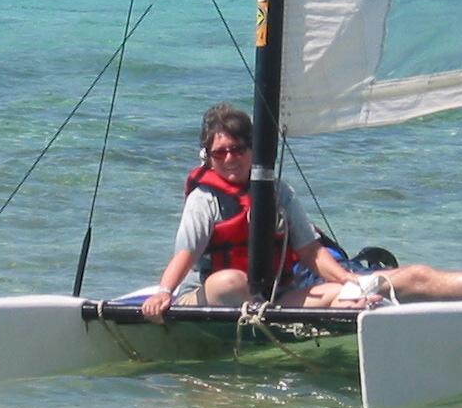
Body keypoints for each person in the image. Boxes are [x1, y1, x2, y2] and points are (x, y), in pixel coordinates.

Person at [141, 104, 365, 318]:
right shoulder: (203, 199)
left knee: (345, 294)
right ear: (208, 158)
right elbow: (186, 254)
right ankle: (260, 319)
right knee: (231, 282)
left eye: (237, 149)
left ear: (253, 149)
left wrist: (347, 279)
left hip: (272, 301)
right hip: (213, 295)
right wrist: (164, 292)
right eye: (219, 153)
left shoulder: (279, 192)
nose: (229, 158)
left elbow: (310, 251)